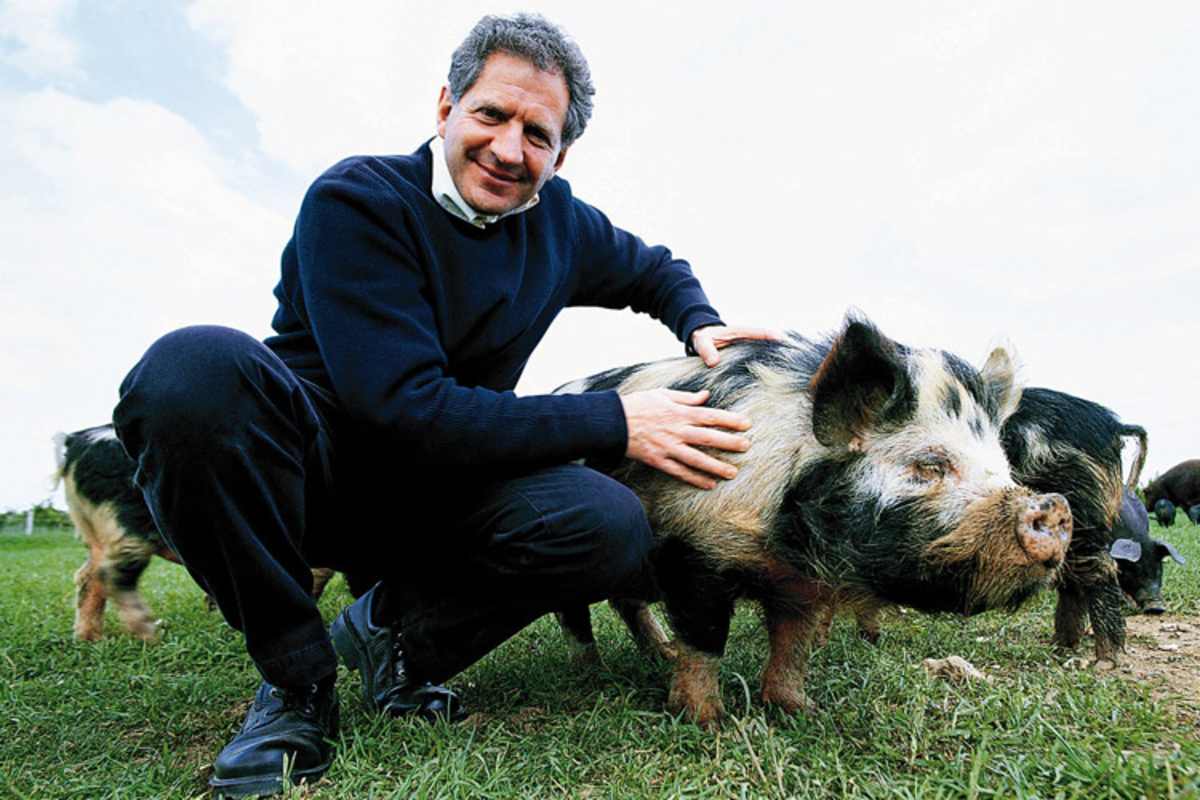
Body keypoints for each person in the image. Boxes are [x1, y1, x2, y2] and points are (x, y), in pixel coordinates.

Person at [114, 13, 777, 798]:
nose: (507, 148)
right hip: (317, 472)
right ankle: (297, 682)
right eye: (491, 114)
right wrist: (621, 420)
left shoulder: (561, 225)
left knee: (606, 520)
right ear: (445, 108)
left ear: (561, 154)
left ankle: (398, 649)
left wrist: (699, 321)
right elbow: (401, 409)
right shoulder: (357, 201)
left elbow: (654, 270)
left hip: (440, 485)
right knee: (191, 369)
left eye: (537, 132)